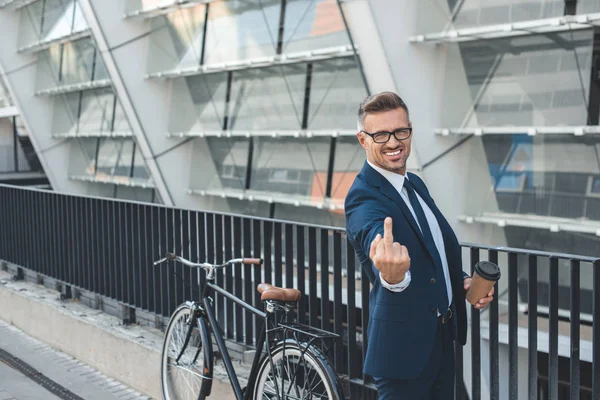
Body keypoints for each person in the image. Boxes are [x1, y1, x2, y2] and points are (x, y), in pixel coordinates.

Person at [344, 91, 495, 399]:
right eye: (381, 134)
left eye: (400, 131)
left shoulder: (415, 184)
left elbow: (431, 249)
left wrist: (461, 282)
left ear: (409, 130)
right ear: (363, 140)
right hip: (402, 353)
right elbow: (374, 237)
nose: (393, 142)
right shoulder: (362, 195)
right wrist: (391, 273)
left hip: (441, 339)